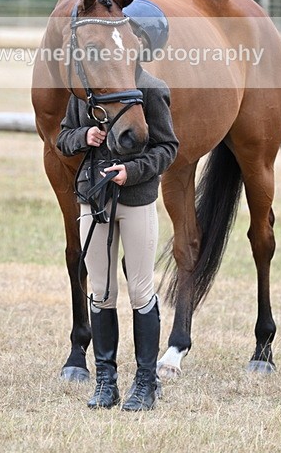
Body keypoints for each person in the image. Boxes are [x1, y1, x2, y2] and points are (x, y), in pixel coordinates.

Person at [56, 63, 178, 411]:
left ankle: (144, 382)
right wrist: (84, 137)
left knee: (140, 291)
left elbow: (168, 147)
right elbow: (63, 138)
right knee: (101, 290)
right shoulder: (85, 91)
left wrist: (133, 171)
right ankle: (106, 382)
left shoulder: (150, 87)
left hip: (136, 200)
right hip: (93, 200)